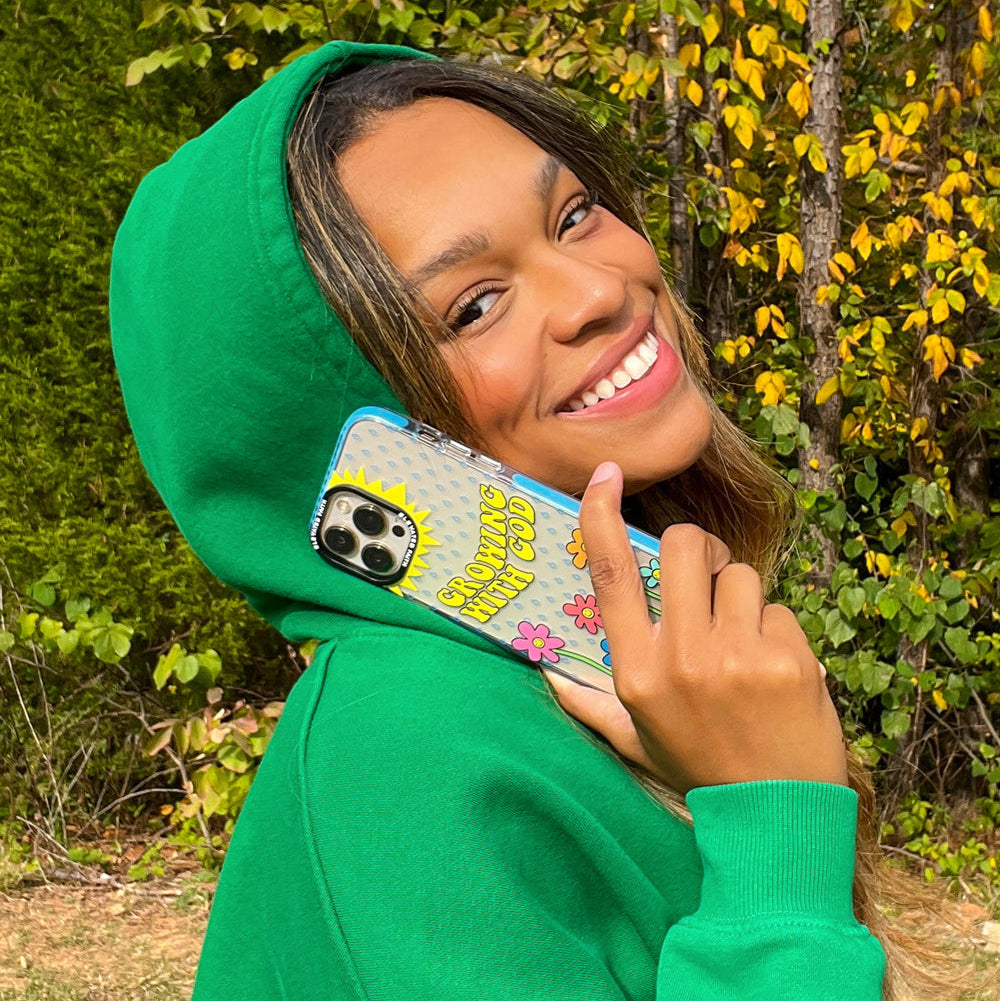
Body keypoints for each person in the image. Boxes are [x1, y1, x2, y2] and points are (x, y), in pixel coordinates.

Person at [111, 39, 895, 999]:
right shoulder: (404, 765)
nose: (601, 289)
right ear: (348, 435)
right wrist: (781, 845)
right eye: (475, 305)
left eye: (573, 214)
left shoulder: (604, 674)